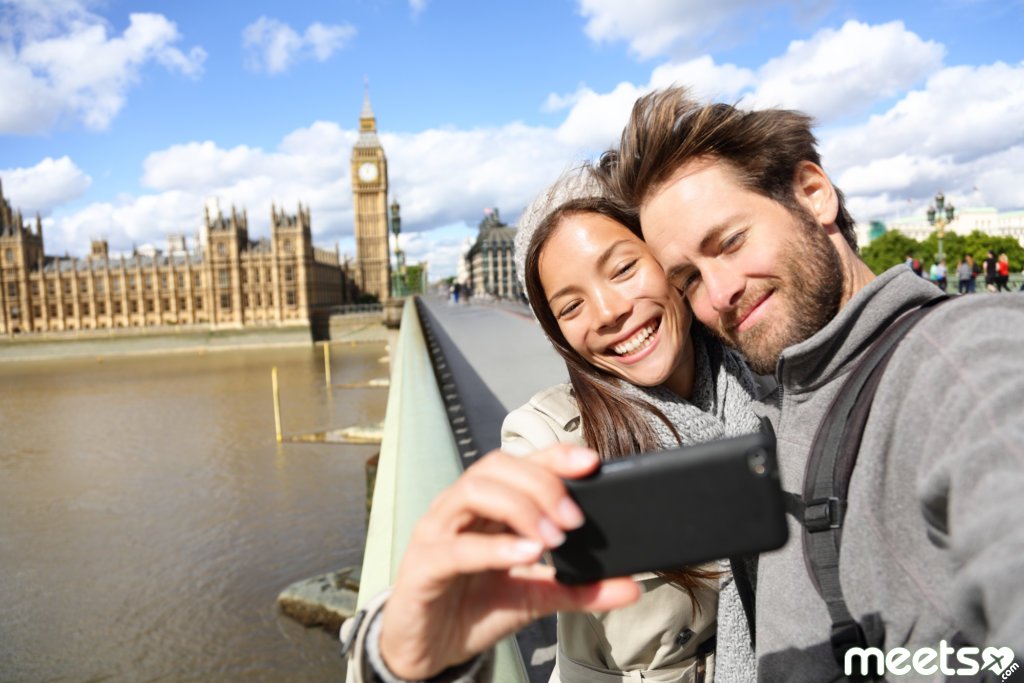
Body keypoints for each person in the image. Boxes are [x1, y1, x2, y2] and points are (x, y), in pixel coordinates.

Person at [600, 86, 1024, 680]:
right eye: (689, 279)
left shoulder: (957, 357)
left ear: (812, 194)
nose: (719, 293)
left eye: (730, 242)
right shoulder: (770, 396)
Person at [342, 167, 764, 683]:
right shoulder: (549, 438)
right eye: (571, 305)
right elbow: (485, 563)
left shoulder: (771, 374)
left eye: (624, 268)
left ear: (667, 262)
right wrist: (402, 649)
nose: (609, 312)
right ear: (558, 334)